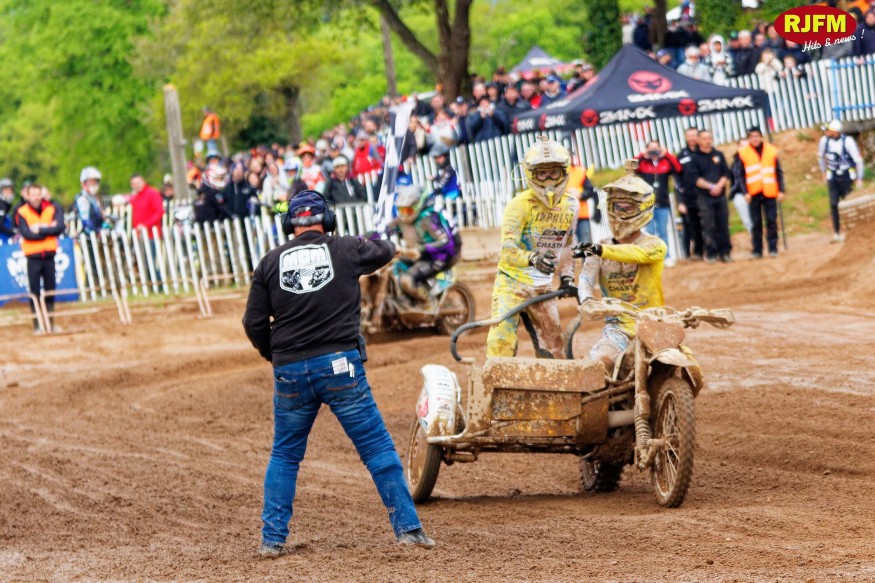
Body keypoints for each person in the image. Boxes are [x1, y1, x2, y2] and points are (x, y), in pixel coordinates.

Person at [242, 190, 434, 557]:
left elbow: (253, 322)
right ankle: (408, 530)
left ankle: (272, 541)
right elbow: (386, 250)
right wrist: (376, 237)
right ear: (327, 220)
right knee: (376, 447)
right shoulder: (346, 248)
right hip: (340, 365)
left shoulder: (269, 262)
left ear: (289, 224)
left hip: (290, 370)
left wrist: (275, 354)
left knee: (284, 456)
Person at [485, 136, 578, 359]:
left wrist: (567, 277)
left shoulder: (571, 205)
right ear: (531, 174)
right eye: (542, 174)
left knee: (555, 351)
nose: (549, 181)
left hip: (542, 287)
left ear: (564, 172)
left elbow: (568, 245)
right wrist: (533, 258)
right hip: (511, 283)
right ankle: (493, 380)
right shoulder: (519, 205)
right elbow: (507, 250)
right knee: (500, 343)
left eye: (554, 173)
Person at [574, 160, 666, 372]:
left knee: (686, 367)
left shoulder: (654, 245)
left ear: (642, 209)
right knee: (599, 364)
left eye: (627, 208)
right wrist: (587, 300)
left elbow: (636, 254)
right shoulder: (599, 248)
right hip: (618, 328)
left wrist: (600, 250)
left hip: (655, 323)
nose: (620, 214)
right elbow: (586, 280)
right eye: (617, 207)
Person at [393, 183, 461, 303]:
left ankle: (429, 303)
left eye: (407, 210)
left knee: (406, 280)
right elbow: (383, 230)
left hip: (442, 256)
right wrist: (362, 238)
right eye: (401, 210)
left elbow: (445, 241)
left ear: (417, 205)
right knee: (395, 266)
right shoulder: (402, 219)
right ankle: (405, 299)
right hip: (423, 255)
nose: (404, 214)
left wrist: (421, 248)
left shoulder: (428, 218)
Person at [16, 183, 65, 332]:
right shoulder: (22, 211)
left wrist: (40, 229)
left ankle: (50, 323)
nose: (36, 197)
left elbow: (59, 228)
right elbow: (26, 233)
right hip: (33, 257)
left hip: (49, 256)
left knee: (50, 290)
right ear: (28, 196)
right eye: (33, 195)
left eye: (38, 194)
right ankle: (37, 325)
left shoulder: (51, 208)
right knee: (35, 292)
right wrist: (48, 229)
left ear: (41, 195)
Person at [736, 126, 785, 258]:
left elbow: (778, 172)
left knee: (771, 221)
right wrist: (745, 192)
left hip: (769, 191)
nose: (755, 139)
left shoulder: (771, 150)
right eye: (752, 137)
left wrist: (781, 190)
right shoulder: (743, 153)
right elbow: (740, 174)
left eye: (757, 136)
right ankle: (757, 250)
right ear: (748, 138)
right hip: (753, 193)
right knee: (756, 222)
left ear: (761, 137)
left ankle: (773, 248)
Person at [635, 141, 682, 266]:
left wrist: (667, 154)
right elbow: (630, 168)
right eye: (651, 148)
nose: (654, 150)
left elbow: (678, 168)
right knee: (649, 233)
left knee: (663, 232)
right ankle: (652, 258)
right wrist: (642, 155)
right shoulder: (643, 163)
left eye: (656, 148)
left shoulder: (665, 162)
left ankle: (666, 257)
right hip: (647, 204)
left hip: (663, 202)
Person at [690, 130, 733, 263]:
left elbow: (726, 173)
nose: (707, 141)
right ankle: (712, 252)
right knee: (709, 225)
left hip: (720, 195)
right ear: (699, 140)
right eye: (704, 139)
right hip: (704, 197)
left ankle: (725, 252)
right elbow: (695, 178)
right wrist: (711, 187)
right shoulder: (695, 158)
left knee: (723, 224)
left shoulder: (718, 154)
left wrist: (719, 186)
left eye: (709, 138)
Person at [818, 120, 864, 243]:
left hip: (846, 176)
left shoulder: (847, 142)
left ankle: (854, 231)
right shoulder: (824, 141)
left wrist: (859, 178)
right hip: (833, 176)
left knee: (849, 204)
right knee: (834, 204)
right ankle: (837, 232)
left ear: (835, 131)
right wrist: (823, 172)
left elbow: (858, 160)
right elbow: (821, 157)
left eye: (829, 130)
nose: (826, 132)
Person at [676, 127, 704, 260]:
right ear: (686, 137)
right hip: (688, 198)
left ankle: (709, 250)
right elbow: (677, 181)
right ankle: (690, 254)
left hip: (704, 196)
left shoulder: (704, 152)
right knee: (690, 226)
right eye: (689, 135)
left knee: (708, 224)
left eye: (694, 135)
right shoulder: (681, 156)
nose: (692, 138)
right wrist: (680, 201)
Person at [567, 158, 598, 245]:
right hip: (564, 218)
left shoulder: (580, 171)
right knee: (567, 247)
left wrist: (580, 195)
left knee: (585, 244)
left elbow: (590, 190)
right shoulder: (556, 174)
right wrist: (567, 193)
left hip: (581, 215)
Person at [728, 139, 754, 234]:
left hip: (753, 193)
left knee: (755, 220)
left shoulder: (754, 160)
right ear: (738, 147)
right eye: (743, 146)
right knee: (748, 222)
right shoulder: (735, 163)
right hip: (740, 195)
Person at [129, 174, 164, 238]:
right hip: (138, 235)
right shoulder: (134, 197)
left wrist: (145, 225)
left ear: (143, 181)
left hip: (152, 235)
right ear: (131, 185)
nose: (137, 185)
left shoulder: (152, 193)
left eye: (138, 183)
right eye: (134, 184)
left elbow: (159, 212)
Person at [74, 166, 105, 235]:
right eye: (91, 182)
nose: (94, 185)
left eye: (95, 182)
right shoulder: (82, 198)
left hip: (97, 232)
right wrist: (98, 230)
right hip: (89, 235)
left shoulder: (93, 197)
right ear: (84, 183)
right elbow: (86, 221)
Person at [0, 178, 17, 243]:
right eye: (5, 190)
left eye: (10, 189)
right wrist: (14, 232)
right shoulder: (1, 205)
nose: (9, 192)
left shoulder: (6, 205)